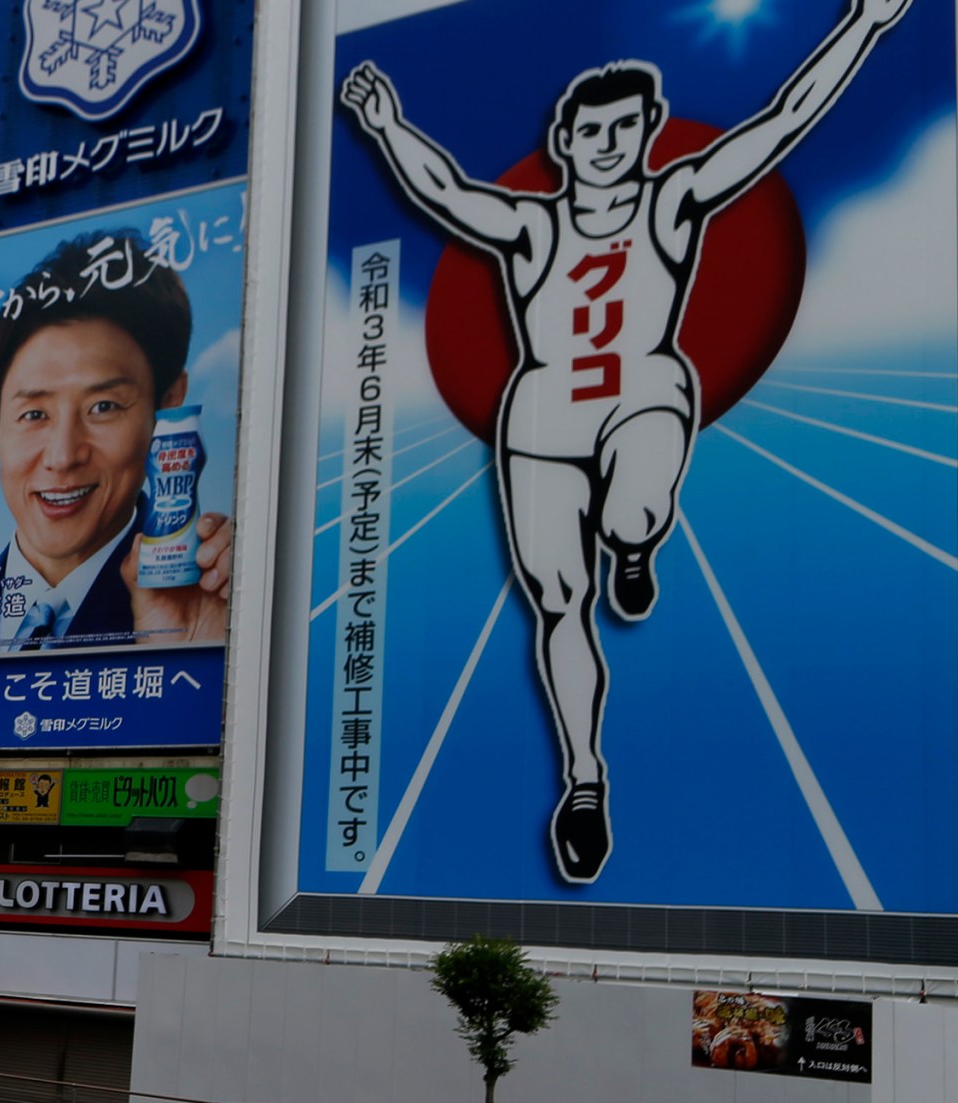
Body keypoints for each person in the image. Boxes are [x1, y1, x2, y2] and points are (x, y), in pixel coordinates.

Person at [339, 0, 908, 883]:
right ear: (563, 143)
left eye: (624, 126)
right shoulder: (534, 228)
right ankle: (584, 781)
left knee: (637, 502)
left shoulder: (674, 200)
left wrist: (863, 26)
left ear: (648, 132)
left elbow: (784, 119)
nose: (607, 142)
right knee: (559, 602)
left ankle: (635, 543)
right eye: (590, 128)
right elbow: (445, 192)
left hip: (642, 388)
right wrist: (385, 126)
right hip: (541, 419)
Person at [0, 231, 233, 655]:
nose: (64, 456)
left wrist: (191, 651)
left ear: (168, 405)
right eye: (34, 414)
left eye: (103, 407)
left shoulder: (207, 606)